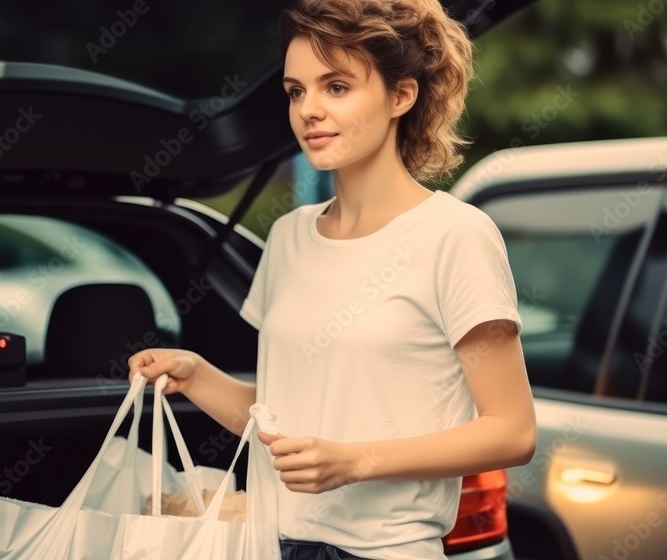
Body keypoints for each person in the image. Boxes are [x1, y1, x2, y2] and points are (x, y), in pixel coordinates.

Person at [127, 0, 536, 558]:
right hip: (267, 544)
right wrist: (197, 374)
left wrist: (354, 461)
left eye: (336, 86)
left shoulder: (456, 235)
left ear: (402, 95)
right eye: (297, 91)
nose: (308, 110)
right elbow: (283, 416)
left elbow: (512, 431)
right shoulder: (290, 236)